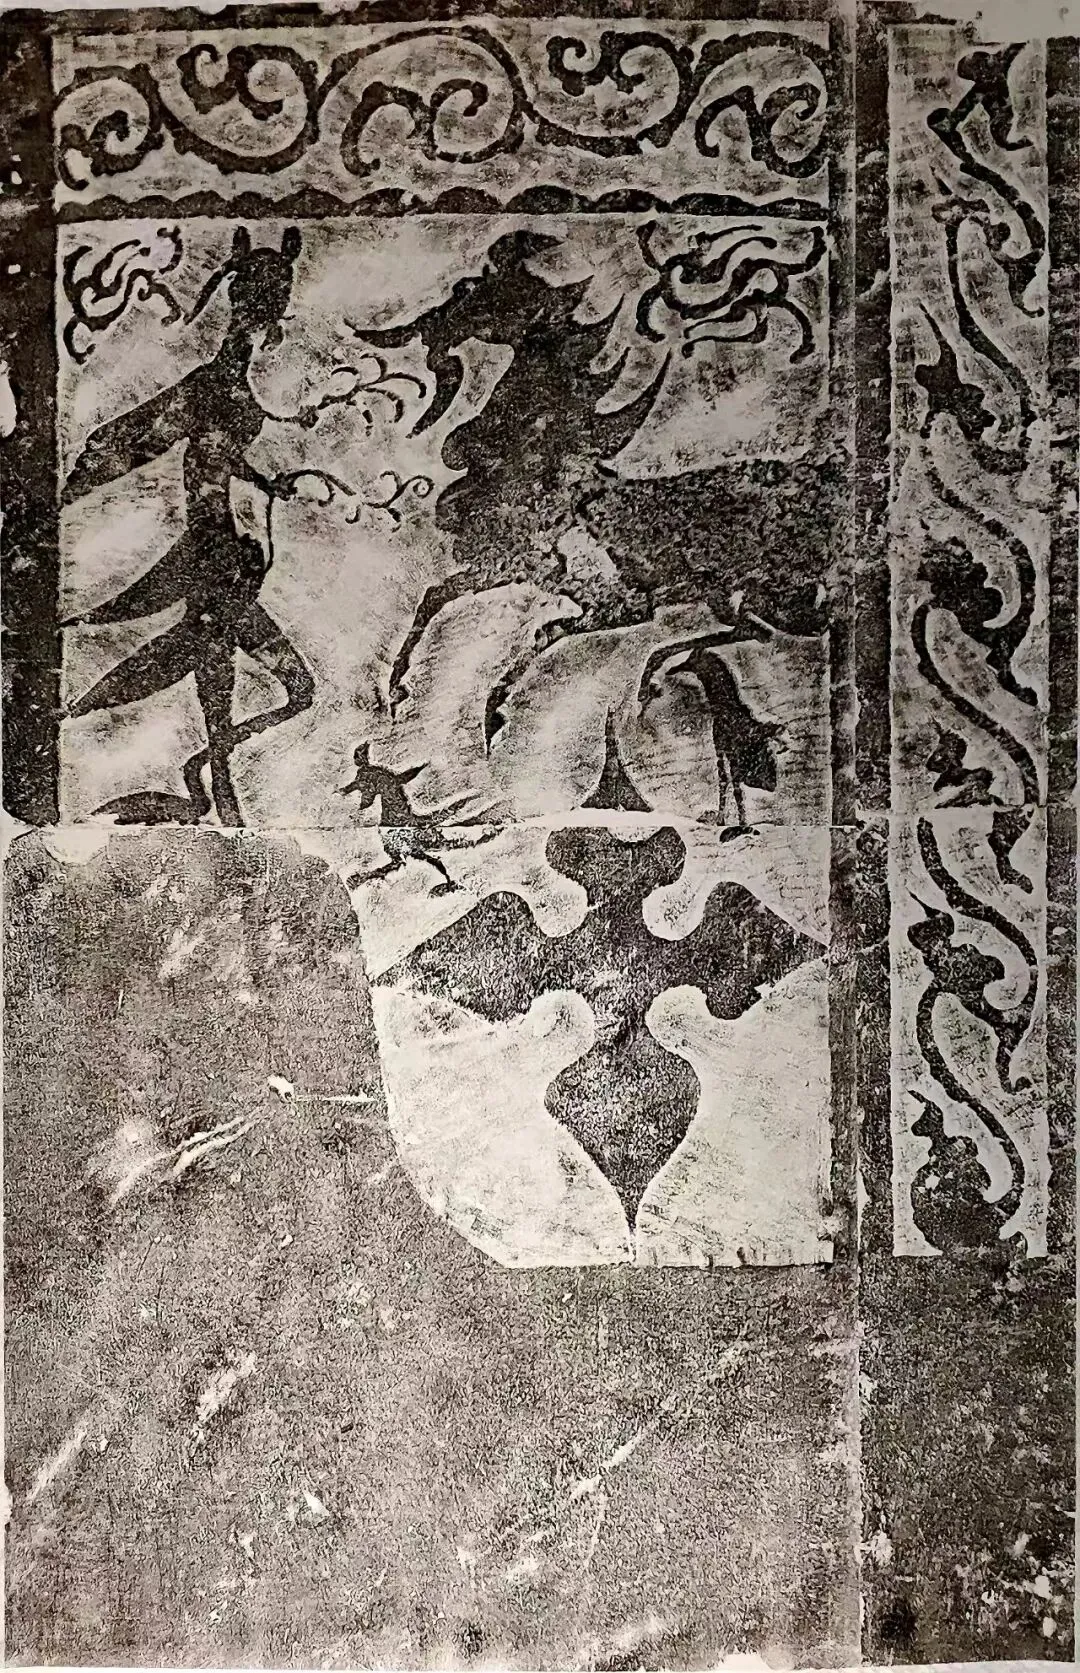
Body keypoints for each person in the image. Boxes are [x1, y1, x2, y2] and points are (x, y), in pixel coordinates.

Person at [62, 226, 315, 826]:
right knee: (238, 683)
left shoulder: (233, 382)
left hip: (230, 558)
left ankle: (209, 781)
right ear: (254, 307)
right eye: (268, 304)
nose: (268, 319)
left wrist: (264, 482)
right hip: (214, 555)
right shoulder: (214, 382)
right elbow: (165, 441)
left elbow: (212, 448)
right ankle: (213, 789)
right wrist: (78, 488)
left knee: (251, 688)